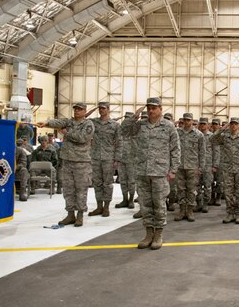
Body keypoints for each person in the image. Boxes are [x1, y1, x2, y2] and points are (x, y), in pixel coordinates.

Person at [121, 97, 181, 250]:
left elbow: (175, 149)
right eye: (148, 108)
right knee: (145, 204)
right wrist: (135, 116)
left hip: (160, 172)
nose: (150, 110)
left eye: (154, 108)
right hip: (142, 171)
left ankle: (158, 234)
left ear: (160, 109)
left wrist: (173, 170)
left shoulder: (168, 127)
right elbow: (124, 131)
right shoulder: (140, 125)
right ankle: (148, 233)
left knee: (159, 204)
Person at [36, 102, 95, 227]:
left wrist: (66, 133)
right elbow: (58, 122)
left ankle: (80, 215)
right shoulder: (69, 122)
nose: (77, 111)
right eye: (75, 109)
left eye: (79, 109)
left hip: (81, 162)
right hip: (67, 161)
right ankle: (70, 214)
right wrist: (46, 123)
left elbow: (82, 138)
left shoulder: (88, 124)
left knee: (81, 189)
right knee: (68, 190)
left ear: (85, 111)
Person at [210, 117, 239, 224]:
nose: (233, 125)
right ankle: (230, 213)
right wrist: (221, 129)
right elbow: (211, 140)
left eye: (236, 124)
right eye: (232, 124)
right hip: (228, 170)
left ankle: (238, 213)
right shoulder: (225, 137)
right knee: (228, 193)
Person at [88, 102, 121, 218]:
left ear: (108, 109)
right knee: (97, 182)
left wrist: (117, 159)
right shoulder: (94, 122)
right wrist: (93, 108)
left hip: (108, 157)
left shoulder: (115, 125)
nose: (101, 110)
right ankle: (99, 206)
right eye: (100, 108)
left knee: (107, 183)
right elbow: (84, 118)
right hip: (96, 156)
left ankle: (106, 207)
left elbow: (118, 143)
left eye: (103, 108)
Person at [175, 113, 206, 222]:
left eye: (189, 120)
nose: (187, 122)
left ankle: (190, 210)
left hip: (193, 166)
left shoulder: (199, 135)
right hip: (179, 166)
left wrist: (201, 167)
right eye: (185, 120)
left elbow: (202, 152)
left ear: (192, 121)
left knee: (192, 189)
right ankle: (182, 210)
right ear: (182, 120)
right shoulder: (177, 133)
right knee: (180, 189)